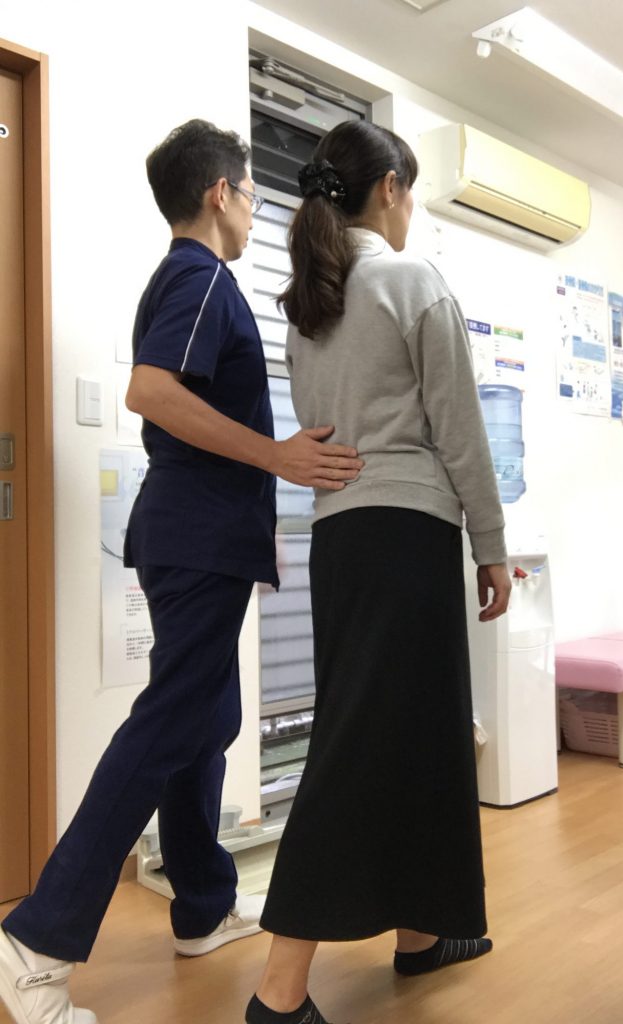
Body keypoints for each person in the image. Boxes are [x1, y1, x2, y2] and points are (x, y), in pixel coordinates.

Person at [0, 118, 363, 1024]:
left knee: (207, 716)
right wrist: (278, 456)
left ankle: (201, 906)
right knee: (171, 723)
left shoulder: (192, 280)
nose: (254, 206)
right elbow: (151, 391)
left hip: (198, 538)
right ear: (220, 193)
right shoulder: (200, 277)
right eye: (250, 190)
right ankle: (35, 944)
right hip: (195, 539)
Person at [245, 120, 512, 1024]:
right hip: (408, 536)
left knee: (410, 736)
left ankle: (420, 933)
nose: (411, 209)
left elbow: (320, 431)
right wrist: (491, 545)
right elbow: (459, 429)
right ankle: (278, 993)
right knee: (362, 745)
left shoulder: (310, 304)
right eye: (411, 191)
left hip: (343, 542)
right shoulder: (410, 279)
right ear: (390, 187)